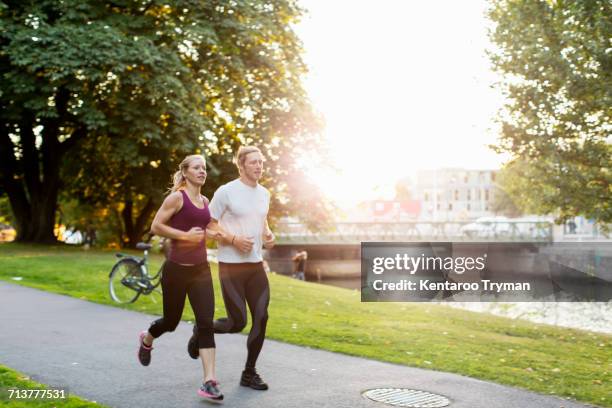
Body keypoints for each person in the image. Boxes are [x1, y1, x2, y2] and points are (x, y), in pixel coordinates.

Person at [188, 146, 275, 391]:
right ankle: (201, 330)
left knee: (262, 317)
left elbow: (261, 219)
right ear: (241, 165)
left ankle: (249, 373)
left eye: (261, 162)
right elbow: (208, 226)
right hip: (231, 267)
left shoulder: (265, 194)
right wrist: (234, 240)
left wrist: (267, 234)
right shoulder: (226, 192)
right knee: (238, 323)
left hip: (255, 266)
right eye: (253, 162)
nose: (258, 166)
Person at [137, 154, 223, 402]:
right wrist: (184, 236)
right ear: (185, 172)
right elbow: (156, 226)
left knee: (205, 323)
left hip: (200, 270)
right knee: (171, 322)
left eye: (204, 168)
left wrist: (221, 234)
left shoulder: (206, 201)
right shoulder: (176, 198)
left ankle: (209, 382)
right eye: (197, 167)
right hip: (176, 270)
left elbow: (208, 229)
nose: (202, 171)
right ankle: (147, 338)